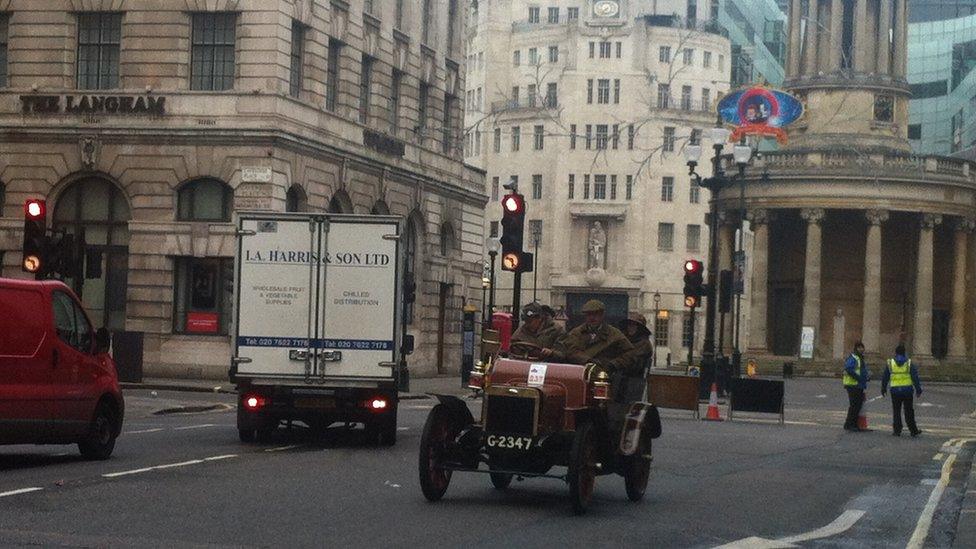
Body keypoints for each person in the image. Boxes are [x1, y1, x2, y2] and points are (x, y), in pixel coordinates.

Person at [552, 299, 634, 373]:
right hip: (580, 373)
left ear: (602, 315)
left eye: (595, 314)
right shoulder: (576, 333)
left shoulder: (614, 334)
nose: (592, 318)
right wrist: (588, 360)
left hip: (605, 374)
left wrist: (614, 364)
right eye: (588, 315)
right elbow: (570, 351)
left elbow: (630, 353)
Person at [881, 345, 923, 437]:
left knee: (896, 410)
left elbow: (885, 377)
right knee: (908, 410)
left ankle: (897, 430)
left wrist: (883, 388)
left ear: (895, 353)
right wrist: (918, 390)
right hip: (907, 390)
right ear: (904, 352)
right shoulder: (908, 363)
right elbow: (915, 377)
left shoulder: (890, 363)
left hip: (895, 390)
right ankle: (913, 430)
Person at [616, 312, 653, 403]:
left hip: (633, 378)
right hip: (621, 375)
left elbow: (632, 358)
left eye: (634, 325)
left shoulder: (644, 344)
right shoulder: (623, 340)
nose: (630, 327)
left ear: (640, 328)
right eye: (629, 325)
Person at [842, 341, 870, 432]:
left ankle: (849, 424)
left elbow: (861, 370)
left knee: (856, 405)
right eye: (860, 347)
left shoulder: (860, 358)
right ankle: (851, 424)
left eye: (862, 347)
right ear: (856, 348)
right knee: (855, 405)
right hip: (853, 384)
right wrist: (859, 378)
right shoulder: (854, 357)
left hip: (858, 385)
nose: (862, 349)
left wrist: (866, 377)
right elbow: (849, 369)